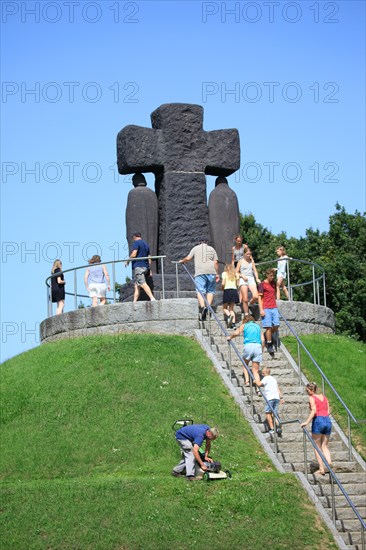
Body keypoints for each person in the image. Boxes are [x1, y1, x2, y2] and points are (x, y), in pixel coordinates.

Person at [179, 238, 220, 321]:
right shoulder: (212, 249)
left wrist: (182, 261)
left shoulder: (195, 248)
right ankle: (208, 307)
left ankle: (203, 307)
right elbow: (215, 262)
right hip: (211, 271)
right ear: (207, 243)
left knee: (200, 290)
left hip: (200, 272)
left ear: (199, 243)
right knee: (210, 291)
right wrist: (217, 273)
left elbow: (188, 258)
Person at [301, 382, 332, 476]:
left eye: (307, 390)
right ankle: (329, 463)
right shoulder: (324, 396)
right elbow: (328, 409)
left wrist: (306, 422)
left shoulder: (311, 398)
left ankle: (322, 468)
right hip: (327, 421)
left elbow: (314, 411)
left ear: (311, 390)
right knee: (325, 446)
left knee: (316, 446)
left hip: (318, 421)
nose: (307, 392)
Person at [227, 315, 264, 387]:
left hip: (249, 345)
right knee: (255, 371)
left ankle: (247, 381)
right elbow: (263, 340)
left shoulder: (244, 325)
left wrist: (230, 337)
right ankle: (258, 388)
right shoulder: (258, 326)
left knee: (245, 364)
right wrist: (261, 350)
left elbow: (236, 333)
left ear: (245, 320)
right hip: (258, 346)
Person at [254, 367, 284, 433]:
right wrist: (281, 398)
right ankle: (278, 424)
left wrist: (255, 381)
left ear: (264, 373)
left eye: (262, 373)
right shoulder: (274, 379)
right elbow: (277, 389)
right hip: (276, 398)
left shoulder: (266, 378)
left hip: (270, 398)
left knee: (268, 412)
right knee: (274, 413)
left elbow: (259, 384)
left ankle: (272, 428)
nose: (262, 374)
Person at [127, 232, 156, 302]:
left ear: (134, 237)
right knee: (137, 285)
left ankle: (152, 298)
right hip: (145, 267)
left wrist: (127, 260)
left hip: (139, 266)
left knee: (142, 283)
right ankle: (134, 302)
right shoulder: (146, 244)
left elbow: (134, 254)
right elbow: (149, 257)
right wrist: (149, 269)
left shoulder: (137, 243)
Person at [258, 268, 280, 355]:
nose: (272, 277)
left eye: (273, 276)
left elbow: (280, 281)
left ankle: (266, 335)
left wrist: (275, 269)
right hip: (266, 307)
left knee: (276, 325)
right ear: (267, 275)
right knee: (268, 327)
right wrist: (261, 309)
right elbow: (259, 298)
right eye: (270, 275)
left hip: (274, 307)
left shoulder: (274, 284)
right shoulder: (262, 285)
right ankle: (269, 344)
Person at [236, 247, 261, 317]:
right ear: (244, 254)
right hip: (243, 278)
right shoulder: (240, 261)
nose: (248, 256)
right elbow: (236, 272)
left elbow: (255, 270)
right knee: (245, 298)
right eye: (247, 254)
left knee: (256, 296)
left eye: (250, 254)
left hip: (251, 278)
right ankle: (246, 314)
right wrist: (242, 276)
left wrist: (257, 278)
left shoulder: (251, 261)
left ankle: (250, 304)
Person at [222, 263, 239, 329]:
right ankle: (233, 325)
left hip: (227, 291)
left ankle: (229, 316)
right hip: (234, 291)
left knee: (224, 308)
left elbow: (223, 283)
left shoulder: (224, 273)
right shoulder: (236, 274)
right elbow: (237, 284)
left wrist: (222, 288)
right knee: (231, 309)